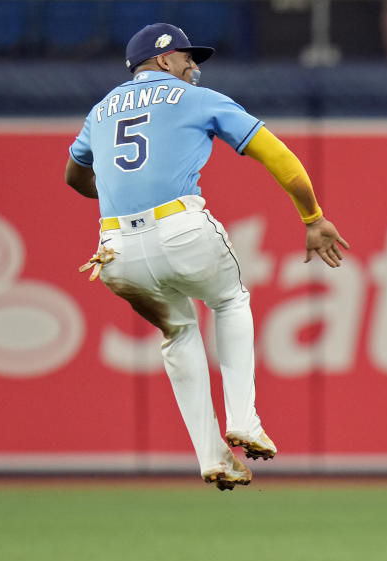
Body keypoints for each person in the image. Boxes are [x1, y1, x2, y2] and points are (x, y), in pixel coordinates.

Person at [65, 23, 349, 491]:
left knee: (177, 334)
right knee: (231, 301)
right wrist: (313, 217)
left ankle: (212, 456)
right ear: (161, 60)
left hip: (114, 251)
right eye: (186, 57)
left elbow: (74, 176)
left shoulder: (101, 110)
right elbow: (276, 155)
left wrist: (122, 195)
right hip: (179, 227)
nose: (193, 66)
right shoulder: (197, 98)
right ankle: (244, 420)